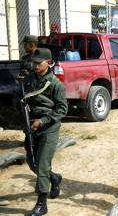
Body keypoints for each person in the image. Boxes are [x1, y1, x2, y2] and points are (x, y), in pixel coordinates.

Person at [23, 48, 68, 216]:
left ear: (48, 63)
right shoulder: (29, 80)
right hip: (30, 126)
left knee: (42, 164)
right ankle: (54, 178)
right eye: (33, 62)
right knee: (32, 162)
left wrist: (42, 121)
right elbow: (21, 98)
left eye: (38, 63)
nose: (35, 66)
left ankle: (42, 204)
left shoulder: (55, 84)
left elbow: (62, 109)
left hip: (48, 128)